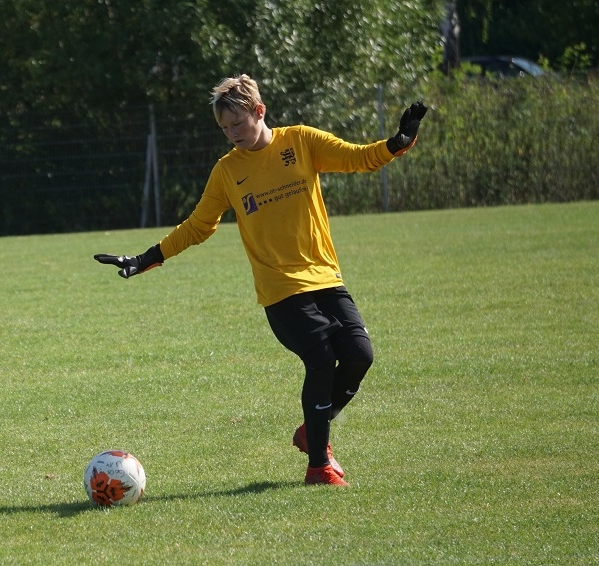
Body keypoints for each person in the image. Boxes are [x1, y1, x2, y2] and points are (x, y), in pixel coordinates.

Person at [94, 74, 427, 487]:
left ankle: (313, 430)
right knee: (322, 360)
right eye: (225, 128)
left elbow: (357, 157)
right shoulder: (227, 171)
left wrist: (397, 143)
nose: (233, 133)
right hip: (280, 290)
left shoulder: (301, 141)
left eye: (238, 123)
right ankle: (319, 466)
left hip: (324, 277)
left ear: (259, 111)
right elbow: (198, 226)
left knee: (360, 355)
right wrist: (146, 258)